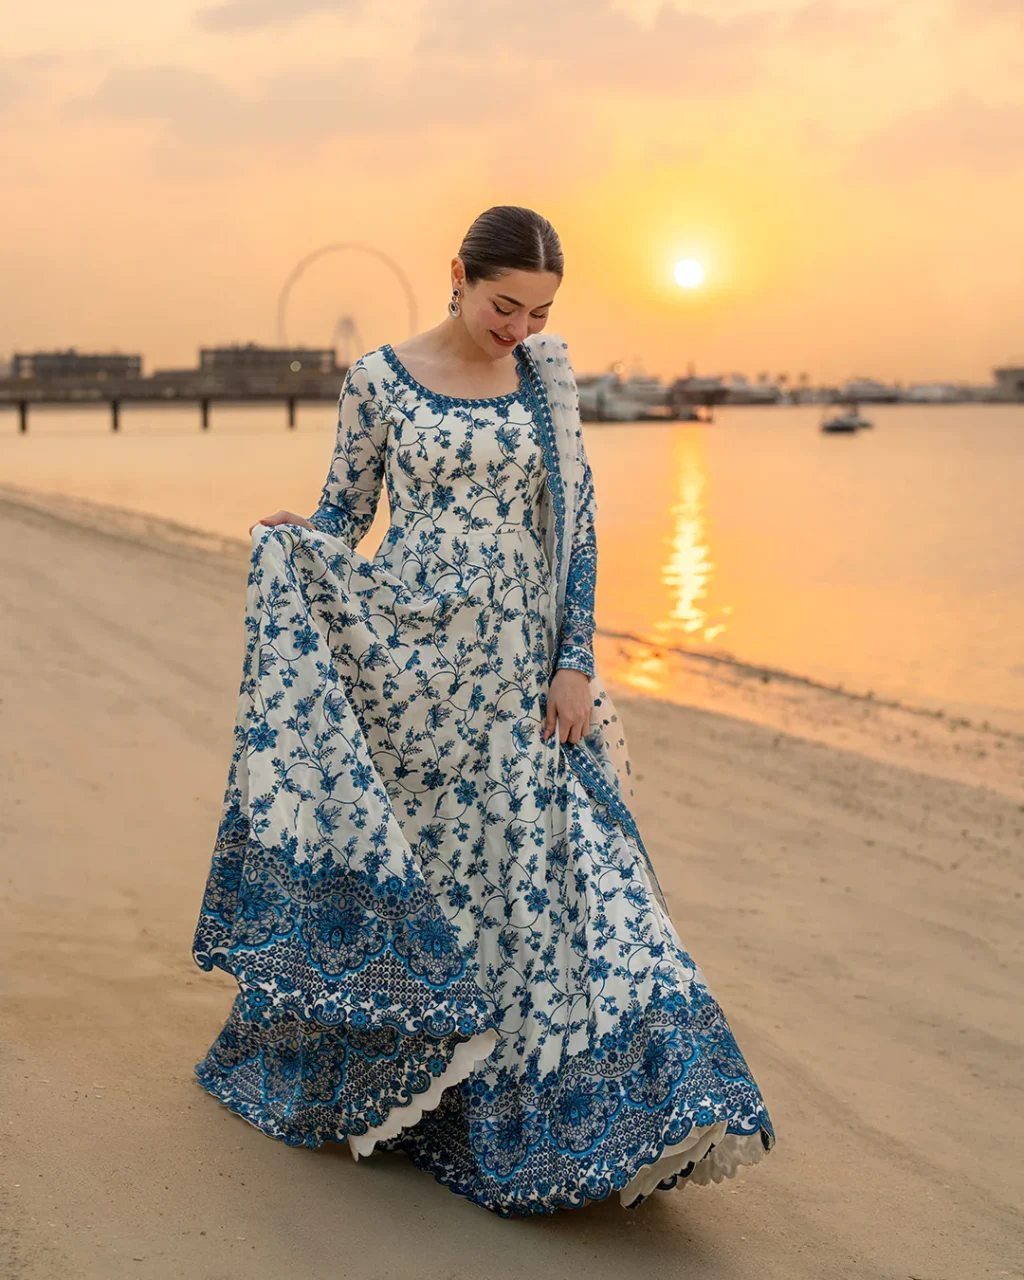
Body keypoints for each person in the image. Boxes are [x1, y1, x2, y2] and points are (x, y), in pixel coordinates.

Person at [191, 205, 775, 1216]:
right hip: (412, 669)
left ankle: (624, 1101)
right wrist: (304, 539)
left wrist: (574, 663)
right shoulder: (377, 379)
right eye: (505, 305)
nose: (520, 327)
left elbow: (575, 527)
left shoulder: (547, 380)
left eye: (540, 310)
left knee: (557, 869)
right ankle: (422, 1094)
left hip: (515, 676)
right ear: (456, 274)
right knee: (440, 870)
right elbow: (346, 513)